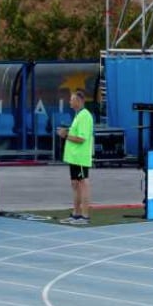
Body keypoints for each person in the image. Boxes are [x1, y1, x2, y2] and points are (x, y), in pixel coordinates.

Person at [57, 89, 94, 225]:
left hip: (80, 158)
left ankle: (85, 216)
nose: (70, 102)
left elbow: (81, 139)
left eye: (72, 99)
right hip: (74, 157)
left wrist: (65, 135)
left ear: (78, 101)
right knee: (75, 184)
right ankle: (76, 214)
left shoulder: (85, 116)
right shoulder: (78, 115)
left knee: (83, 184)